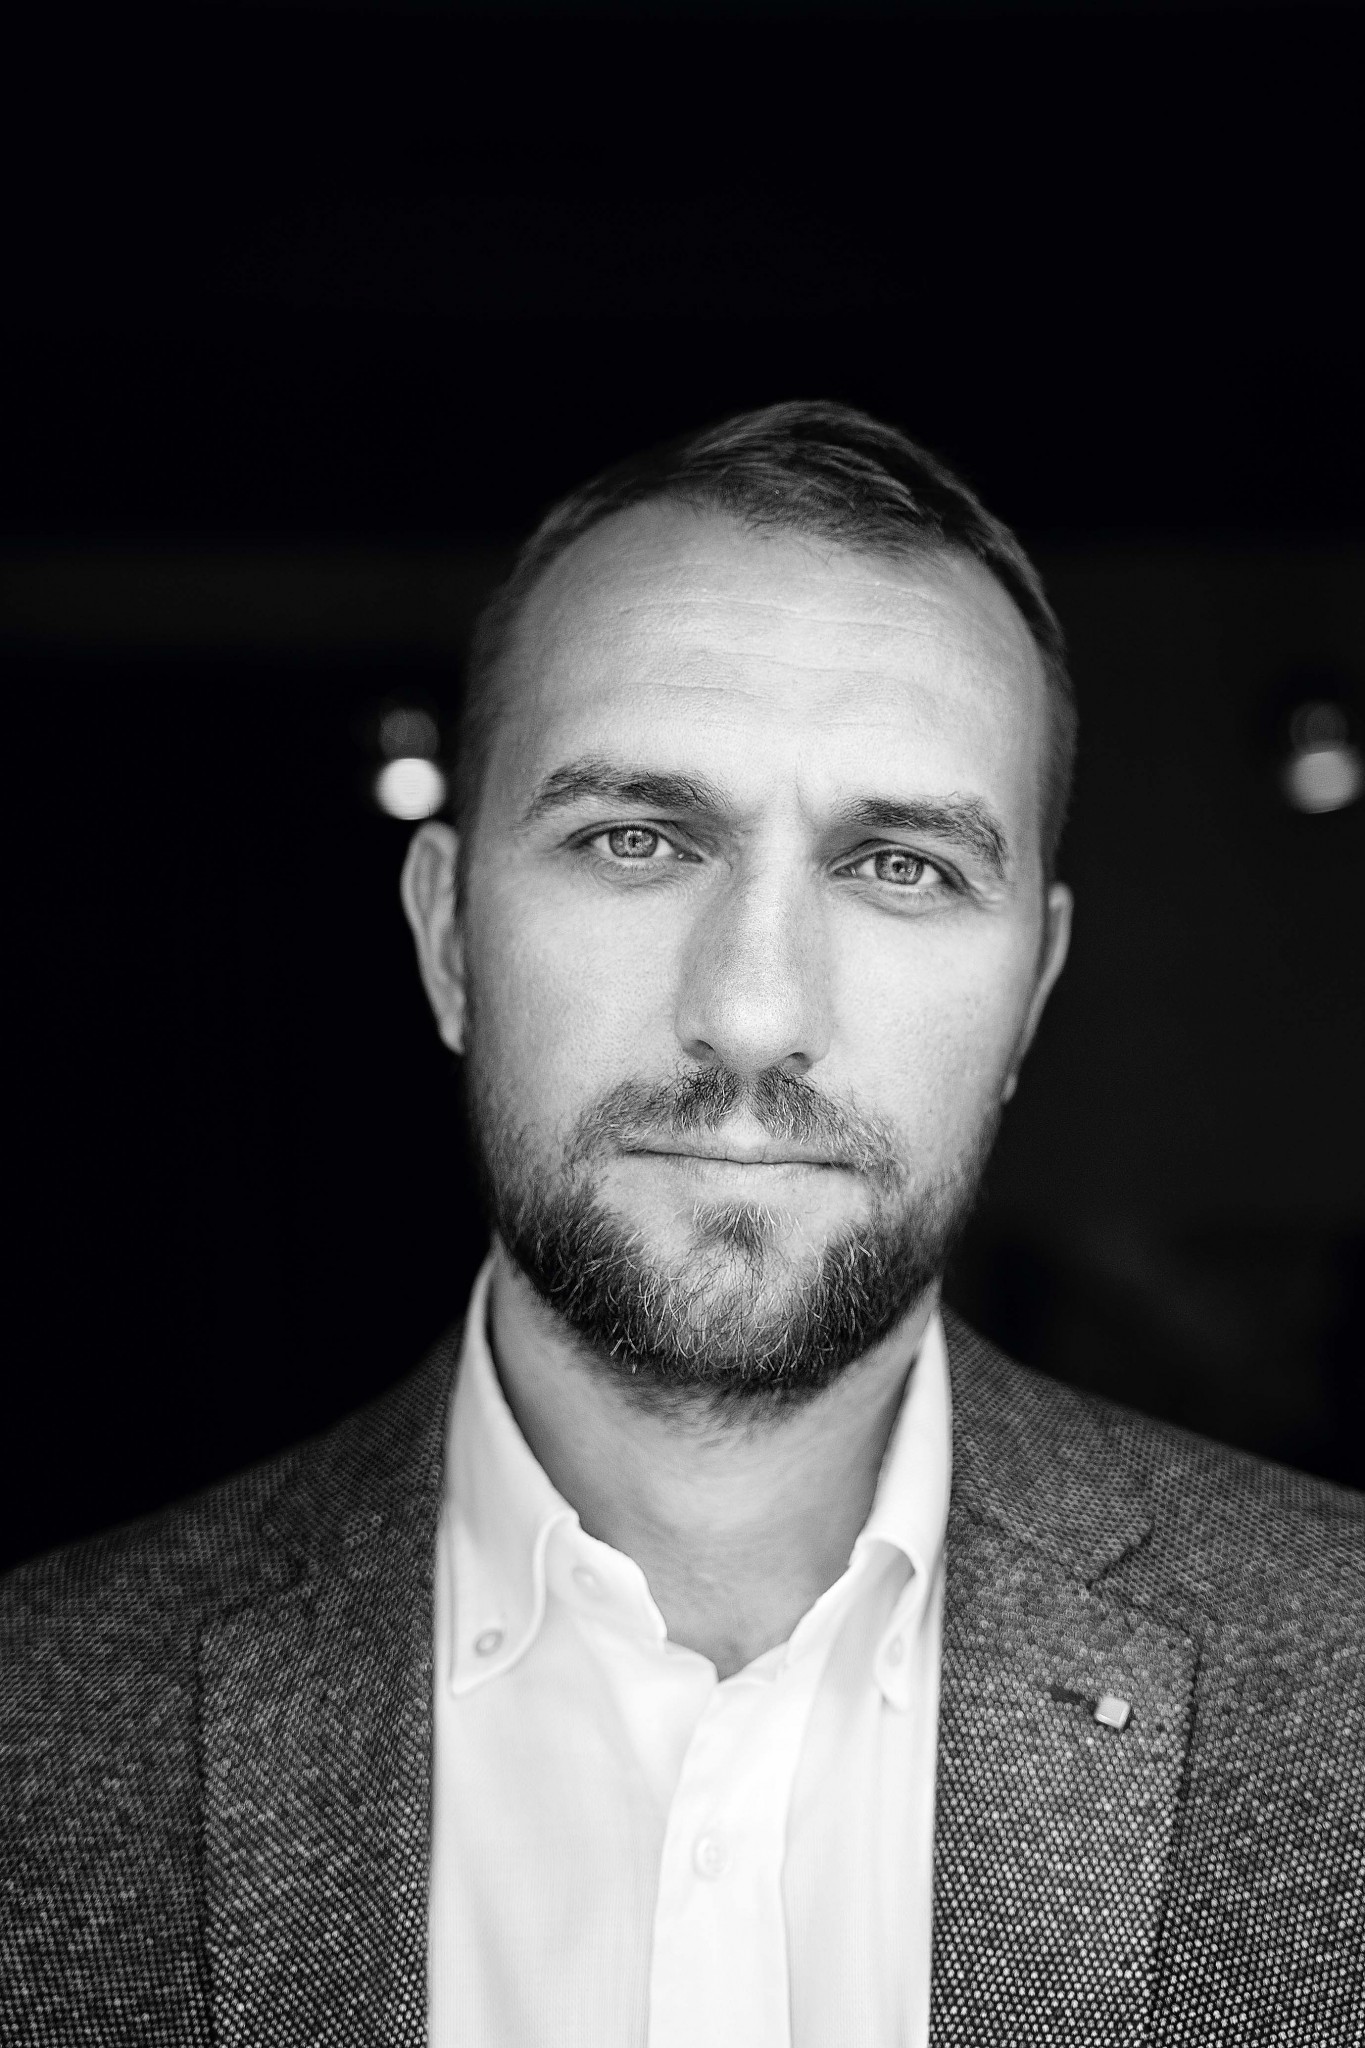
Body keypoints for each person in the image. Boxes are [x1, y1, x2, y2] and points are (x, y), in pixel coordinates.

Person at [2, 402, 1360, 2044]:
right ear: (447, 939)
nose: (753, 1013)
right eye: (633, 841)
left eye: (902, 867)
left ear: (1030, 995)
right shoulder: (40, 1733)